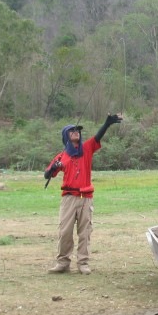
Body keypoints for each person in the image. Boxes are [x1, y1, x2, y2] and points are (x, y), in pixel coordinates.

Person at [44, 114, 122, 274]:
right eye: (72, 131)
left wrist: (107, 124)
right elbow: (47, 175)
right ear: (66, 136)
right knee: (65, 231)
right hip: (68, 198)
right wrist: (53, 168)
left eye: (78, 130)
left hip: (85, 198)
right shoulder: (62, 156)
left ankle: (83, 263)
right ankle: (63, 262)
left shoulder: (87, 149)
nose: (76, 132)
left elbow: (97, 137)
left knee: (85, 232)